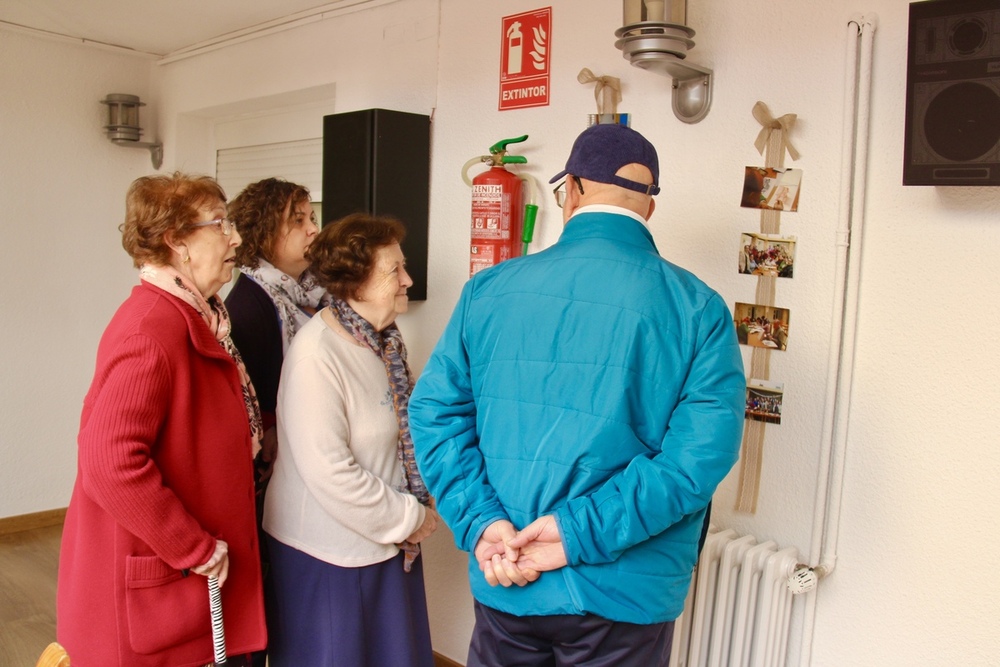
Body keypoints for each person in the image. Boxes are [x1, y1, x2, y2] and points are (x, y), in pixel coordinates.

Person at [410, 123, 746, 667]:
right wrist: (574, 533)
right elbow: (698, 457)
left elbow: (435, 413)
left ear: (572, 190)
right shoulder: (697, 308)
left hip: (508, 569)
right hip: (625, 591)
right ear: (649, 207)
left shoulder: (488, 291)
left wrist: (483, 522)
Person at [57, 173, 266, 666]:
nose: (236, 237)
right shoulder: (153, 329)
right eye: (221, 223)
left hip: (187, 578)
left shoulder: (198, 317)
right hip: (166, 578)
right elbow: (109, 461)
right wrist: (191, 547)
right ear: (177, 241)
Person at [261, 213, 439, 666]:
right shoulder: (317, 355)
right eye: (394, 270)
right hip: (328, 556)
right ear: (356, 283)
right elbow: (330, 472)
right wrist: (408, 518)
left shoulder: (385, 344)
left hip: (384, 541)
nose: (408, 279)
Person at [225, 178, 325, 486]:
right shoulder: (247, 305)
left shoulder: (319, 291)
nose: (312, 230)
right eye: (298, 221)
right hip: (275, 465)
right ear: (264, 232)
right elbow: (245, 398)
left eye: (311, 218)